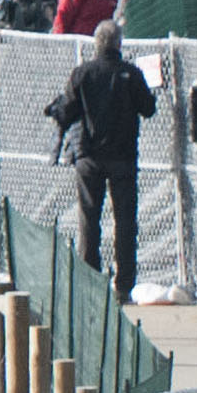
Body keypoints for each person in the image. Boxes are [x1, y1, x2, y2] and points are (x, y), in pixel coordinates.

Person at [47, 23, 154, 292]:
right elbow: (148, 108)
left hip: (88, 157)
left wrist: (54, 109)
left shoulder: (82, 73)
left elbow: (66, 112)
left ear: (96, 44)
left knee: (89, 220)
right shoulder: (131, 73)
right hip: (123, 157)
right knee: (126, 221)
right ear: (119, 44)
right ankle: (124, 284)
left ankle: (90, 281)